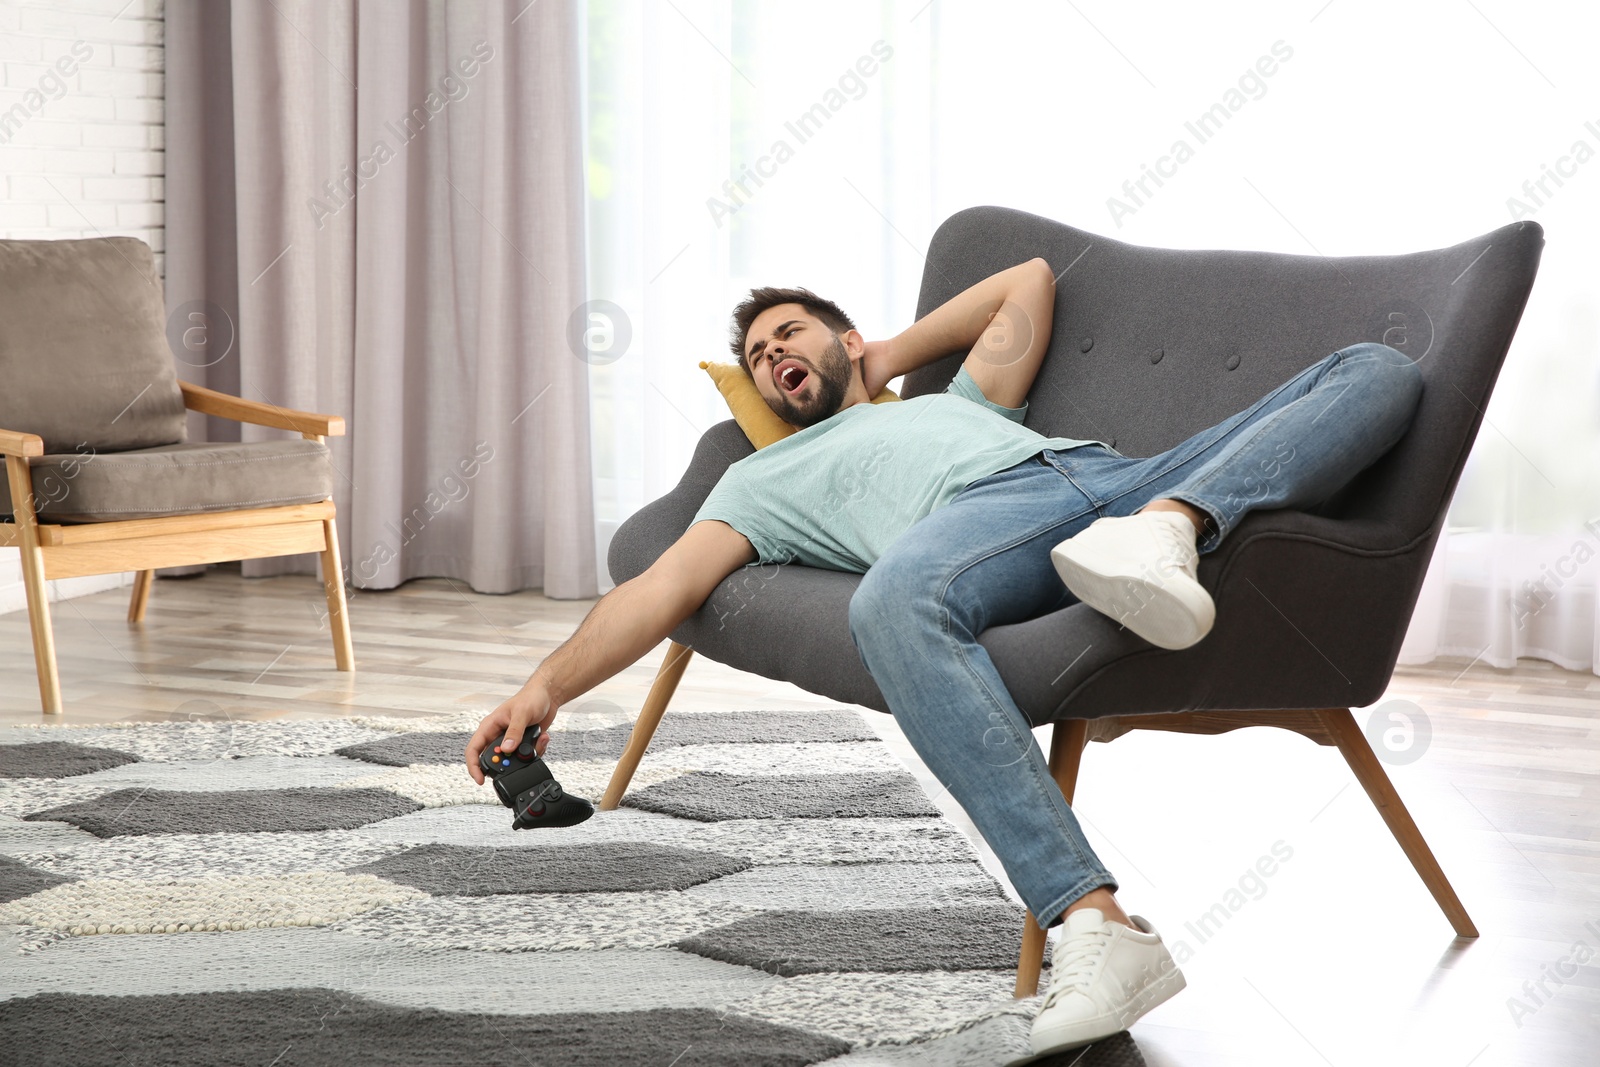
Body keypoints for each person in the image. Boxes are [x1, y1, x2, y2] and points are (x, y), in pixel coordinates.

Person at [466, 257, 1424, 1055]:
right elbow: (658, 591)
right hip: (983, 530)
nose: (771, 358)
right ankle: (1093, 925)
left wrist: (885, 353)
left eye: (790, 334)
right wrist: (542, 686)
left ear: (842, 340)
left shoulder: (966, 397)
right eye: (757, 358)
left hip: (1114, 483)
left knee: (1375, 369)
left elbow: (1031, 281)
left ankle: (1174, 526)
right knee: (894, 600)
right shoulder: (757, 481)